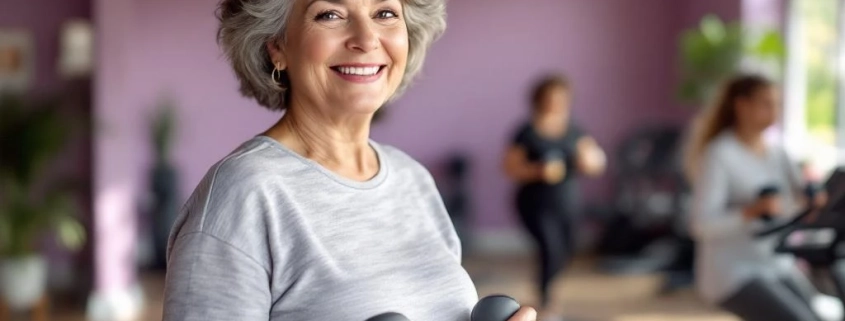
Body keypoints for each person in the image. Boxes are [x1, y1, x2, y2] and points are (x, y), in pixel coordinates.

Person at [161, 0, 538, 320]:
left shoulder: (412, 179)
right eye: (330, 14)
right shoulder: (240, 194)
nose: (367, 38)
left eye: (385, 13)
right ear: (277, 47)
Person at [684, 74, 831, 321]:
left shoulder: (778, 153)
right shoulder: (720, 154)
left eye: (777, 104)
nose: (774, 112)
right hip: (733, 271)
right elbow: (700, 225)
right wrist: (750, 212)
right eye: (766, 104)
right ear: (741, 106)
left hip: (774, 263)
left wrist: (811, 201)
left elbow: (792, 204)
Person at [502, 74, 606, 320]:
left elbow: (597, 162)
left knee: (566, 249)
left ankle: (546, 290)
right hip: (535, 204)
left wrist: (589, 162)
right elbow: (509, 167)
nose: (555, 103)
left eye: (561, 98)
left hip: (567, 201)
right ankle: (546, 300)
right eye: (550, 98)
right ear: (539, 100)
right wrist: (538, 171)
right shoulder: (527, 132)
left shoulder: (574, 131)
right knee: (550, 248)